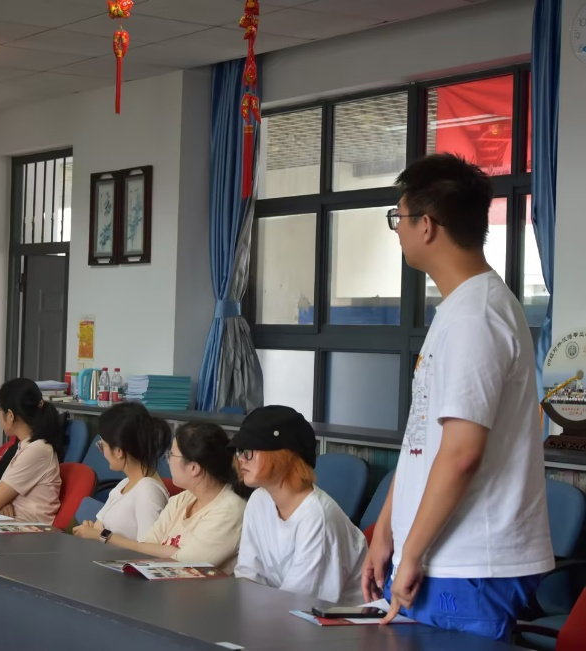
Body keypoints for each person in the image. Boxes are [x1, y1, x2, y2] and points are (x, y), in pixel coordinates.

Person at [361, 154, 553, 641]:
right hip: (439, 556)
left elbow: (463, 453)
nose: (397, 232)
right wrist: (387, 531)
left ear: (426, 225)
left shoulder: (476, 317)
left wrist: (413, 551)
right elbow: (421, 441)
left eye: (399, 218)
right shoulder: (457, 309)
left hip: (470, 562)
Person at [233, 405, 367, 604]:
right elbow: (248, 575)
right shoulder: (258, 501)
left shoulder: (317, 517)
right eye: (240, 451)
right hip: (280, 613)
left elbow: (300, 602)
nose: (241, 459)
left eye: (249, 450)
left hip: (334, 619)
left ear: (283, 455)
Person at [91, 421, 246, 574]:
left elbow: (186, 565)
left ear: (193, 468)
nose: (168, 460)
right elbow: (145, 547)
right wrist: (172, 552)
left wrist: (168, 553)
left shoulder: (230, 510)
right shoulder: (182, 499)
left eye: (171, 455)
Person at [73, 402, 171, 541]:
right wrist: (91, 530)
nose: (102, 451)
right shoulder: (125, 484)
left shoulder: (148, 492)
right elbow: (100, 529)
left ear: (119, 451)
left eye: (102, 445)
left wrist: (98, 535)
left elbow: (148, 549)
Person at [0, 378, 63, 524]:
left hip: (28, 532)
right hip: (12, 526)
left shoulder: (37, 450)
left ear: (10, 415)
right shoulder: (26, 446)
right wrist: (3, 503)